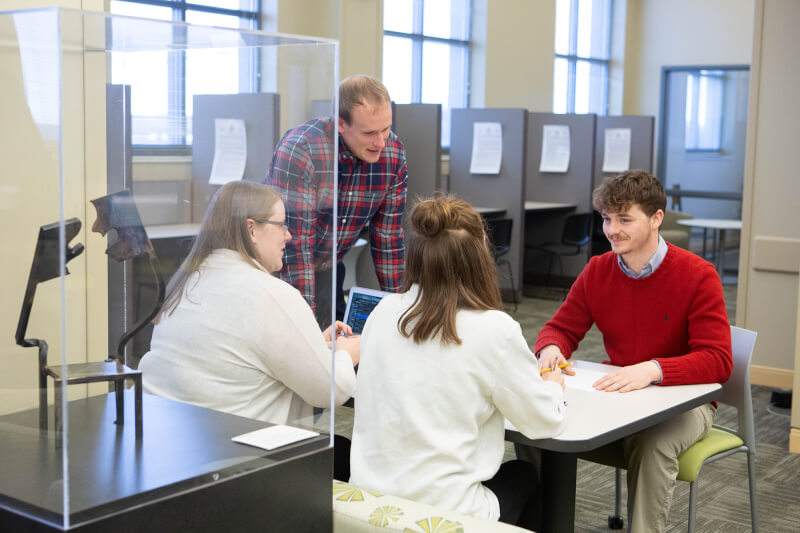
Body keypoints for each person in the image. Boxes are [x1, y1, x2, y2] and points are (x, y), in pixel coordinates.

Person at [527, 170, 733, 532]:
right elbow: (559, 328)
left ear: (656, 219)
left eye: (624, 218)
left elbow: (718, 361)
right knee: (533, 421)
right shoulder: (598, 270)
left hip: (684, 402)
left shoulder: (698, 275)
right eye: (607, 218)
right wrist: (550, 351)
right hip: (620, 394)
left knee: (653, 443)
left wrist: (653, 369)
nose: (611, 229)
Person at [349, 195, 567, 530]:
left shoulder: (384, 312)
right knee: (523, 475)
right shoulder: (495, 329)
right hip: (444, 513)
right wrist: (553, 386)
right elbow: (543, 423)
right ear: (480, 256)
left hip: (372, 503)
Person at [139, 181, 360, 430]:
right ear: (251, 229)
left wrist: (313, 346)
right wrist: (347, 350)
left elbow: (230, 359)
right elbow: (332, 390)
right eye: (281, 225)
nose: (288, 235)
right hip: (240, 455)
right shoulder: (272, 295)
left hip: (171, 439)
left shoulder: (187, 283)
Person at [264, 74, 407, 322]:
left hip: (329, 267)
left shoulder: (393, 154)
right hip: (276, 266)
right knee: (296, 344)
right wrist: (304, 324)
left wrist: (402, 309)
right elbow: (296, 246)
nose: (381, 142)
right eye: (370, 132)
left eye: (386, 129)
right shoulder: (302, 149)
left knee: (337, 347)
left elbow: (388, 238)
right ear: (341, 124)